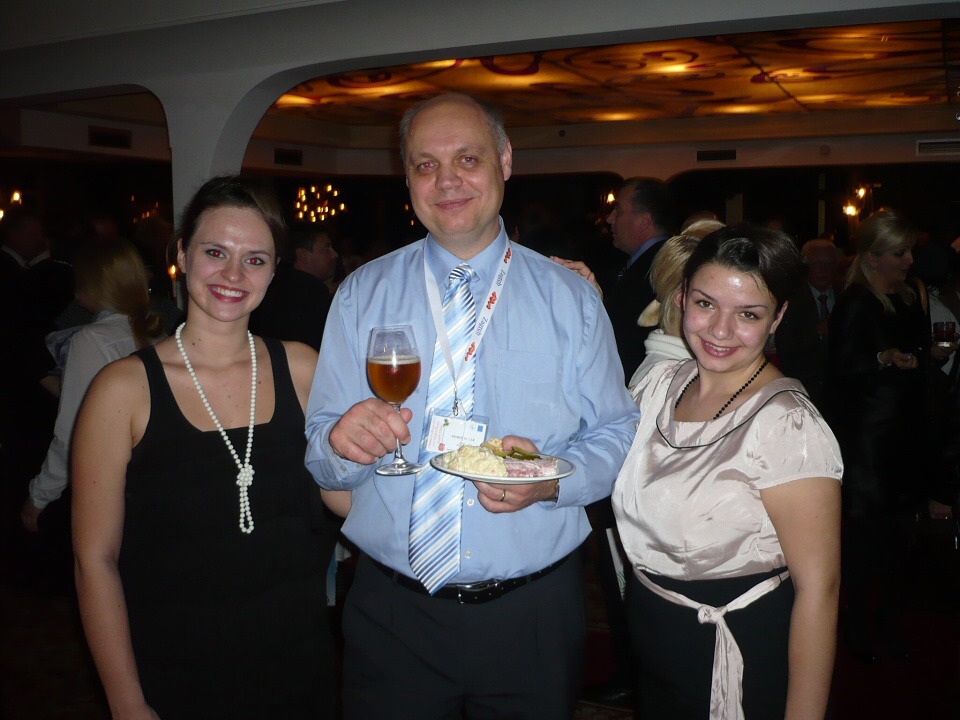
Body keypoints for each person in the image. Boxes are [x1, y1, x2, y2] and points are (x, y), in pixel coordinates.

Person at [304, 92, 638, 720]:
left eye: (467, 158)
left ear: (504, 160)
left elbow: (617, 432)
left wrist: (550, 482)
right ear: (406, 177)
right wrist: (340, 444)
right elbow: (322, 453)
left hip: (532, 616)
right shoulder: (358, 294)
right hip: (391, 614)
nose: (447, 181)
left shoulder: (570, 298)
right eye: (425, 165)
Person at [72, 175, 343, 720]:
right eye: (215, 252)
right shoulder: (121, 389)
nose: (233, 275)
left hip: (302, 668)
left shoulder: (304, 367)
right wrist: (126, 701)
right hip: (176, 674)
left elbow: (347, 499)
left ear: (274, 270)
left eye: (255, 259)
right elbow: (94, 559)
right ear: (181, 255)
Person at [613, 225, 843, 719]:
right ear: (681, 298)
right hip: (654, 651)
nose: (720, 330)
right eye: (705, 304)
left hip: (737, 656)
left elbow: (819, 590)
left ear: (777, 317)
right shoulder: (659, 384)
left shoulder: (787, 425)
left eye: (748, 314)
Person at [827, 209, 956, 663]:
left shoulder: (908, 296)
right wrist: (883, 359)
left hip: (906, 435)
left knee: (901, 539)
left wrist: (930, 355)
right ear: (873, 256)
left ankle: (889, 619)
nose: (908, 261)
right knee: (865, 540)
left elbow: (914, 358)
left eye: (909, 252)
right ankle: (856, 622)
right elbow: (840, 371)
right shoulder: (856, 301)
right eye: (899, 253)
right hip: (869, 441)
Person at [21, 239, 164, 533]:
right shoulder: (156, 334)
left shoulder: (91, 340)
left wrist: (39, 495)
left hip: (113, 488)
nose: (76, 293)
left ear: (95, 286)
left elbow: (73, 429)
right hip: (153, 483)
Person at [604, 177, 676, 383]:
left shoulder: (660, 268)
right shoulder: (643, 262)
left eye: (618, 211)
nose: (609, 219)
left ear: (644, 221)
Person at [776, 239, 841, 408]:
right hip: (803, 390)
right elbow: (785, 345)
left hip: (841, 392)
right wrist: (818, 332)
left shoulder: (847, 294)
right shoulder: (790, 299)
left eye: (828, 264)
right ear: (805, 267)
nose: (823, 270)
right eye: (817, 264)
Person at [248, 226, 337, 349]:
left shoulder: (274, 285)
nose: (334, 255)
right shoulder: (312, 293)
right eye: (326, 249)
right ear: (303, 255)